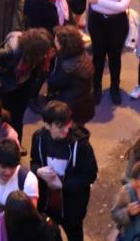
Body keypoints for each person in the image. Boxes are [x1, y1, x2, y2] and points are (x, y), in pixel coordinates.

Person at [30, 101, 97, 241]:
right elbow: (34, 162)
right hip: (46, 204)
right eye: (60, 127)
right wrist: (38, 171)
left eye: (68, 124)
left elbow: (90, 175)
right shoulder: (39, 138)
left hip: (71, 207)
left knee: (75, 235)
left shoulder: (81, 145)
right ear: (47, 125)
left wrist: (63, 185)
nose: (66, 130)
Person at [0, 28, 54, 141]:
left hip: (23, 85)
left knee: (17, 117)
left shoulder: (35, 55)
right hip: (4, 87)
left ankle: (16, 144)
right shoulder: (13, 50)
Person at [87, 0, 132, 105]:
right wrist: (111, 5)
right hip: (97, 22)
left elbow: (123, 6)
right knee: (98, 57)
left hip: (117, 25)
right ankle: (96, 87)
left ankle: (114, 87)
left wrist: (99, 0)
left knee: (114, 57)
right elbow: (94, 6)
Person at [47, 25, 95, 125]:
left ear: (63, 45)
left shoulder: (67, 68)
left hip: (69, 108)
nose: (54, 43)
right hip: (85, 104)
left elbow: (53, 83)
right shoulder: (82, 55)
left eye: (56, 41)